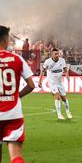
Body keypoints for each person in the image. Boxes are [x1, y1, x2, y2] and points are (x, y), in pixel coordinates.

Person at [0, 26, 36, 163]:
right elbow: (31, 85)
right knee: (15, 156)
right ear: (5, 39)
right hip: (13, 114)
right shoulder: (16, 59)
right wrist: (17, 95)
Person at [41, 49, 72, 120]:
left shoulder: (62, 60)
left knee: (64, 98)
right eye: (55, 54)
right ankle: (59, 114)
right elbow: (42, 71)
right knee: (57, 96)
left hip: (59, 82)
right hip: (52, 83)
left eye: (58, 54)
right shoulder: (48, 62)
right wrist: (40, 81)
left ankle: (68, 111)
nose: (57, 55)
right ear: (52, 54)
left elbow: (65, 69)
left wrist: (67, 75)